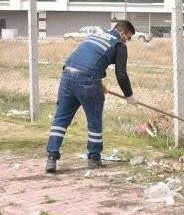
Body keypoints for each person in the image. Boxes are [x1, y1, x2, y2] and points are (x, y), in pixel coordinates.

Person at [45, 20, 137, 173]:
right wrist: (129, 96)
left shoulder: (96, 34)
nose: (128, 41)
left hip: (67, 76)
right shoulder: (119, 44)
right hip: (88, 81)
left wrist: (98, 81)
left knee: (60, 119)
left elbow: (88, 59)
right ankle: (94, 159)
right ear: (122, 33)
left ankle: (51, 157)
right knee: (94, 120)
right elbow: (121, 74)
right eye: (128, 37)